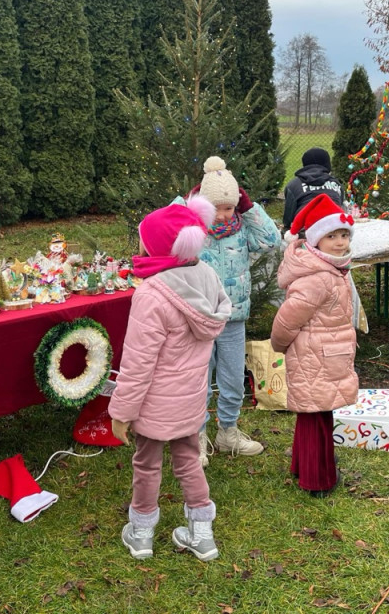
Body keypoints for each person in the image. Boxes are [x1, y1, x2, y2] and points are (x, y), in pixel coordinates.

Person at [108, 196, 231, 562]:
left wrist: (121, 411)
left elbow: (137, 363)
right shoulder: (207, 276)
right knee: (189, 460)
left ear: (160, 246)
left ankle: (142, 533)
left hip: (154, 405)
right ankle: (202, 535)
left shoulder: (151, 295)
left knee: (147, 464)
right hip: (191, 399)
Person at [191, 156, 281, 466]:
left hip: (233, 319)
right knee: (198, 380)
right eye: (214, 207)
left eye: (228, 207)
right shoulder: (194, 230)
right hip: (199, 318)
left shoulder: (243, 229)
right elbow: (162, 228)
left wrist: (248, 206)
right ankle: (197, 437)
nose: (221, 214)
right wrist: (188, 202)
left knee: (231, 379)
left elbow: (272, 240)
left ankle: (227, 433)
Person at [271, 193, 358, 497]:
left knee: (315, 413)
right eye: (331, 235)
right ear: (315, 239)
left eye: (344, 235)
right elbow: (287, 319)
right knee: (316, 417)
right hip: (316, 356)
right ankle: (317, 479)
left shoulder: (331, 267)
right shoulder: (318, 277)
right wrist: (279, 345)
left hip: (326, 353)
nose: (339, 242)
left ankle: (303, 465)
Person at [282, 147, 345, 229]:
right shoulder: (336, 183)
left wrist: (286, 228)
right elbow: (340, 204)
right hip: (334, 226)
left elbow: (288, 216)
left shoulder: (293, 184)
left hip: (307, 227)